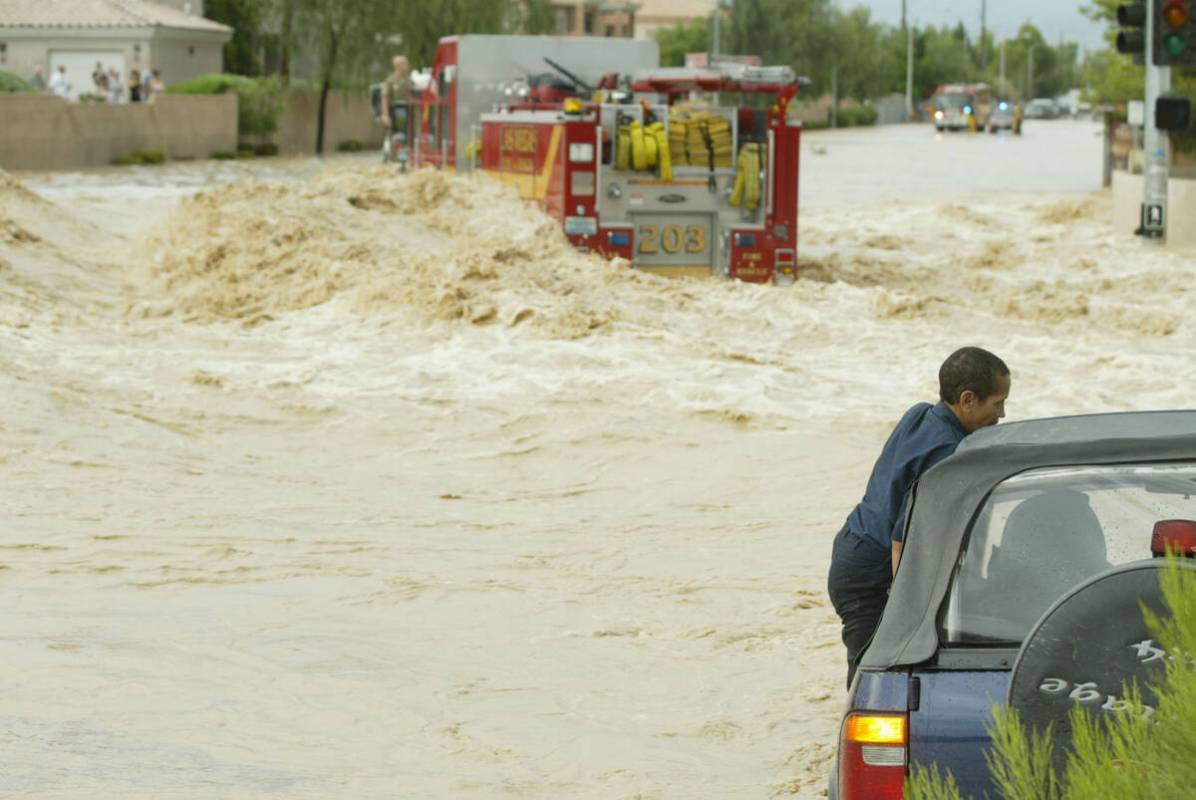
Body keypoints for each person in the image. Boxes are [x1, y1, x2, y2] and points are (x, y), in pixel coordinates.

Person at [826, 346, 1011, 688]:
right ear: (968, 399)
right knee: (877, 676)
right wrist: (907, 610)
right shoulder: (947, 454)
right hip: (873, 573)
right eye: (997, 403)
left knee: (871, 667)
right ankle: (850, 739)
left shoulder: (919, 413)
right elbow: (902, 537)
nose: (1001, 414)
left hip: (851, 547)